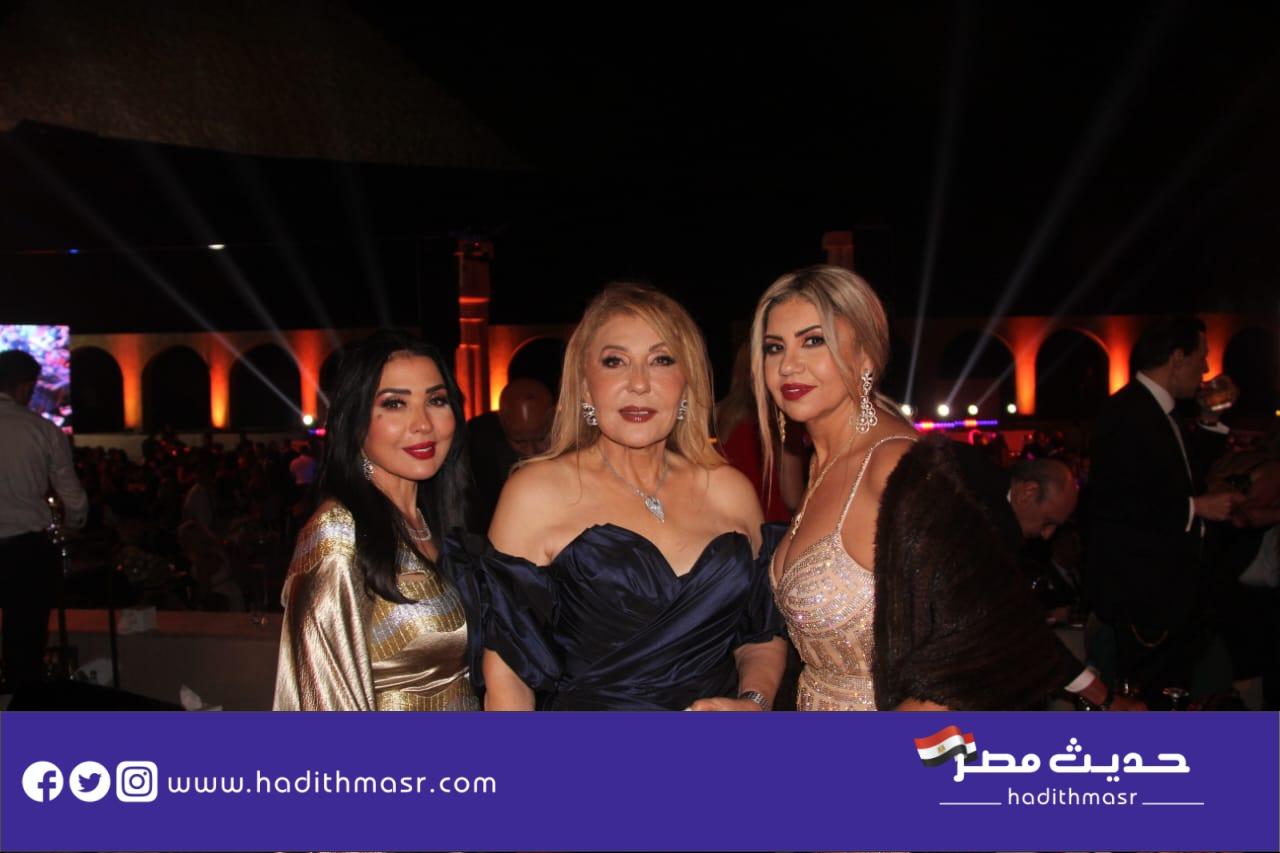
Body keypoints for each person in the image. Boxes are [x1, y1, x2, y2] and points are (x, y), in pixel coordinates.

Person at [481, 283, 787, 711]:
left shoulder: (730, 490)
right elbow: (508, 678)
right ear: (585, 386)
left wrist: (753, 701)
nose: (639, 384)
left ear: (687, 383)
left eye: (661, 360)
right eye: (615, 362)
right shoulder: (534, 494)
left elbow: (760, 634)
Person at [273, 332, 481, 711]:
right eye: (395, 403)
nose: (423, 424)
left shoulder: (432, 521)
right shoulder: (338, 532)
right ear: (355, 422)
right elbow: (325, 702)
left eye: (436, 400)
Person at [751, 265, 920, 711]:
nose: (788, 365)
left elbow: (962, 658)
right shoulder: (819, 464)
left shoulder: (895, 465)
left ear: (866, 356)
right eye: (774, 347)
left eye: (813, 340)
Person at [1087, 315, 1242, 707]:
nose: (1205, 369)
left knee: (1173, 697)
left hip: (1170, 594)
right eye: (1201, 357)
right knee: (1152, 702)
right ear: (1177, 358)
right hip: (1146, 598)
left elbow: (1182, 479)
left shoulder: (1159, 412)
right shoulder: (1128, 412)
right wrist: (1196, 507)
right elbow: (1114, 501)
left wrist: (1210, 421)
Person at [949, 449, 1144, 710]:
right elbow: (1020, 628)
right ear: (1028, 492)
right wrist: (1104, 698)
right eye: (1048, 522)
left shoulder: (975, 471)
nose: (1047, 535)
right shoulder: (995, 526)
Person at [0, 350, 87, 692]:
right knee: (25, 641)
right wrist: (73, 525)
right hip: (25, 549)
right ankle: (22, 715)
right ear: (25, 387)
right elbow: (74, 499)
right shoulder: (43, 430)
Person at [466, 377, 555, 530]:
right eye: (519, 442)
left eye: (540, 439)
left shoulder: (578, 445)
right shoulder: (477, 454)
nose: (531, 452)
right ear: (501, 423)